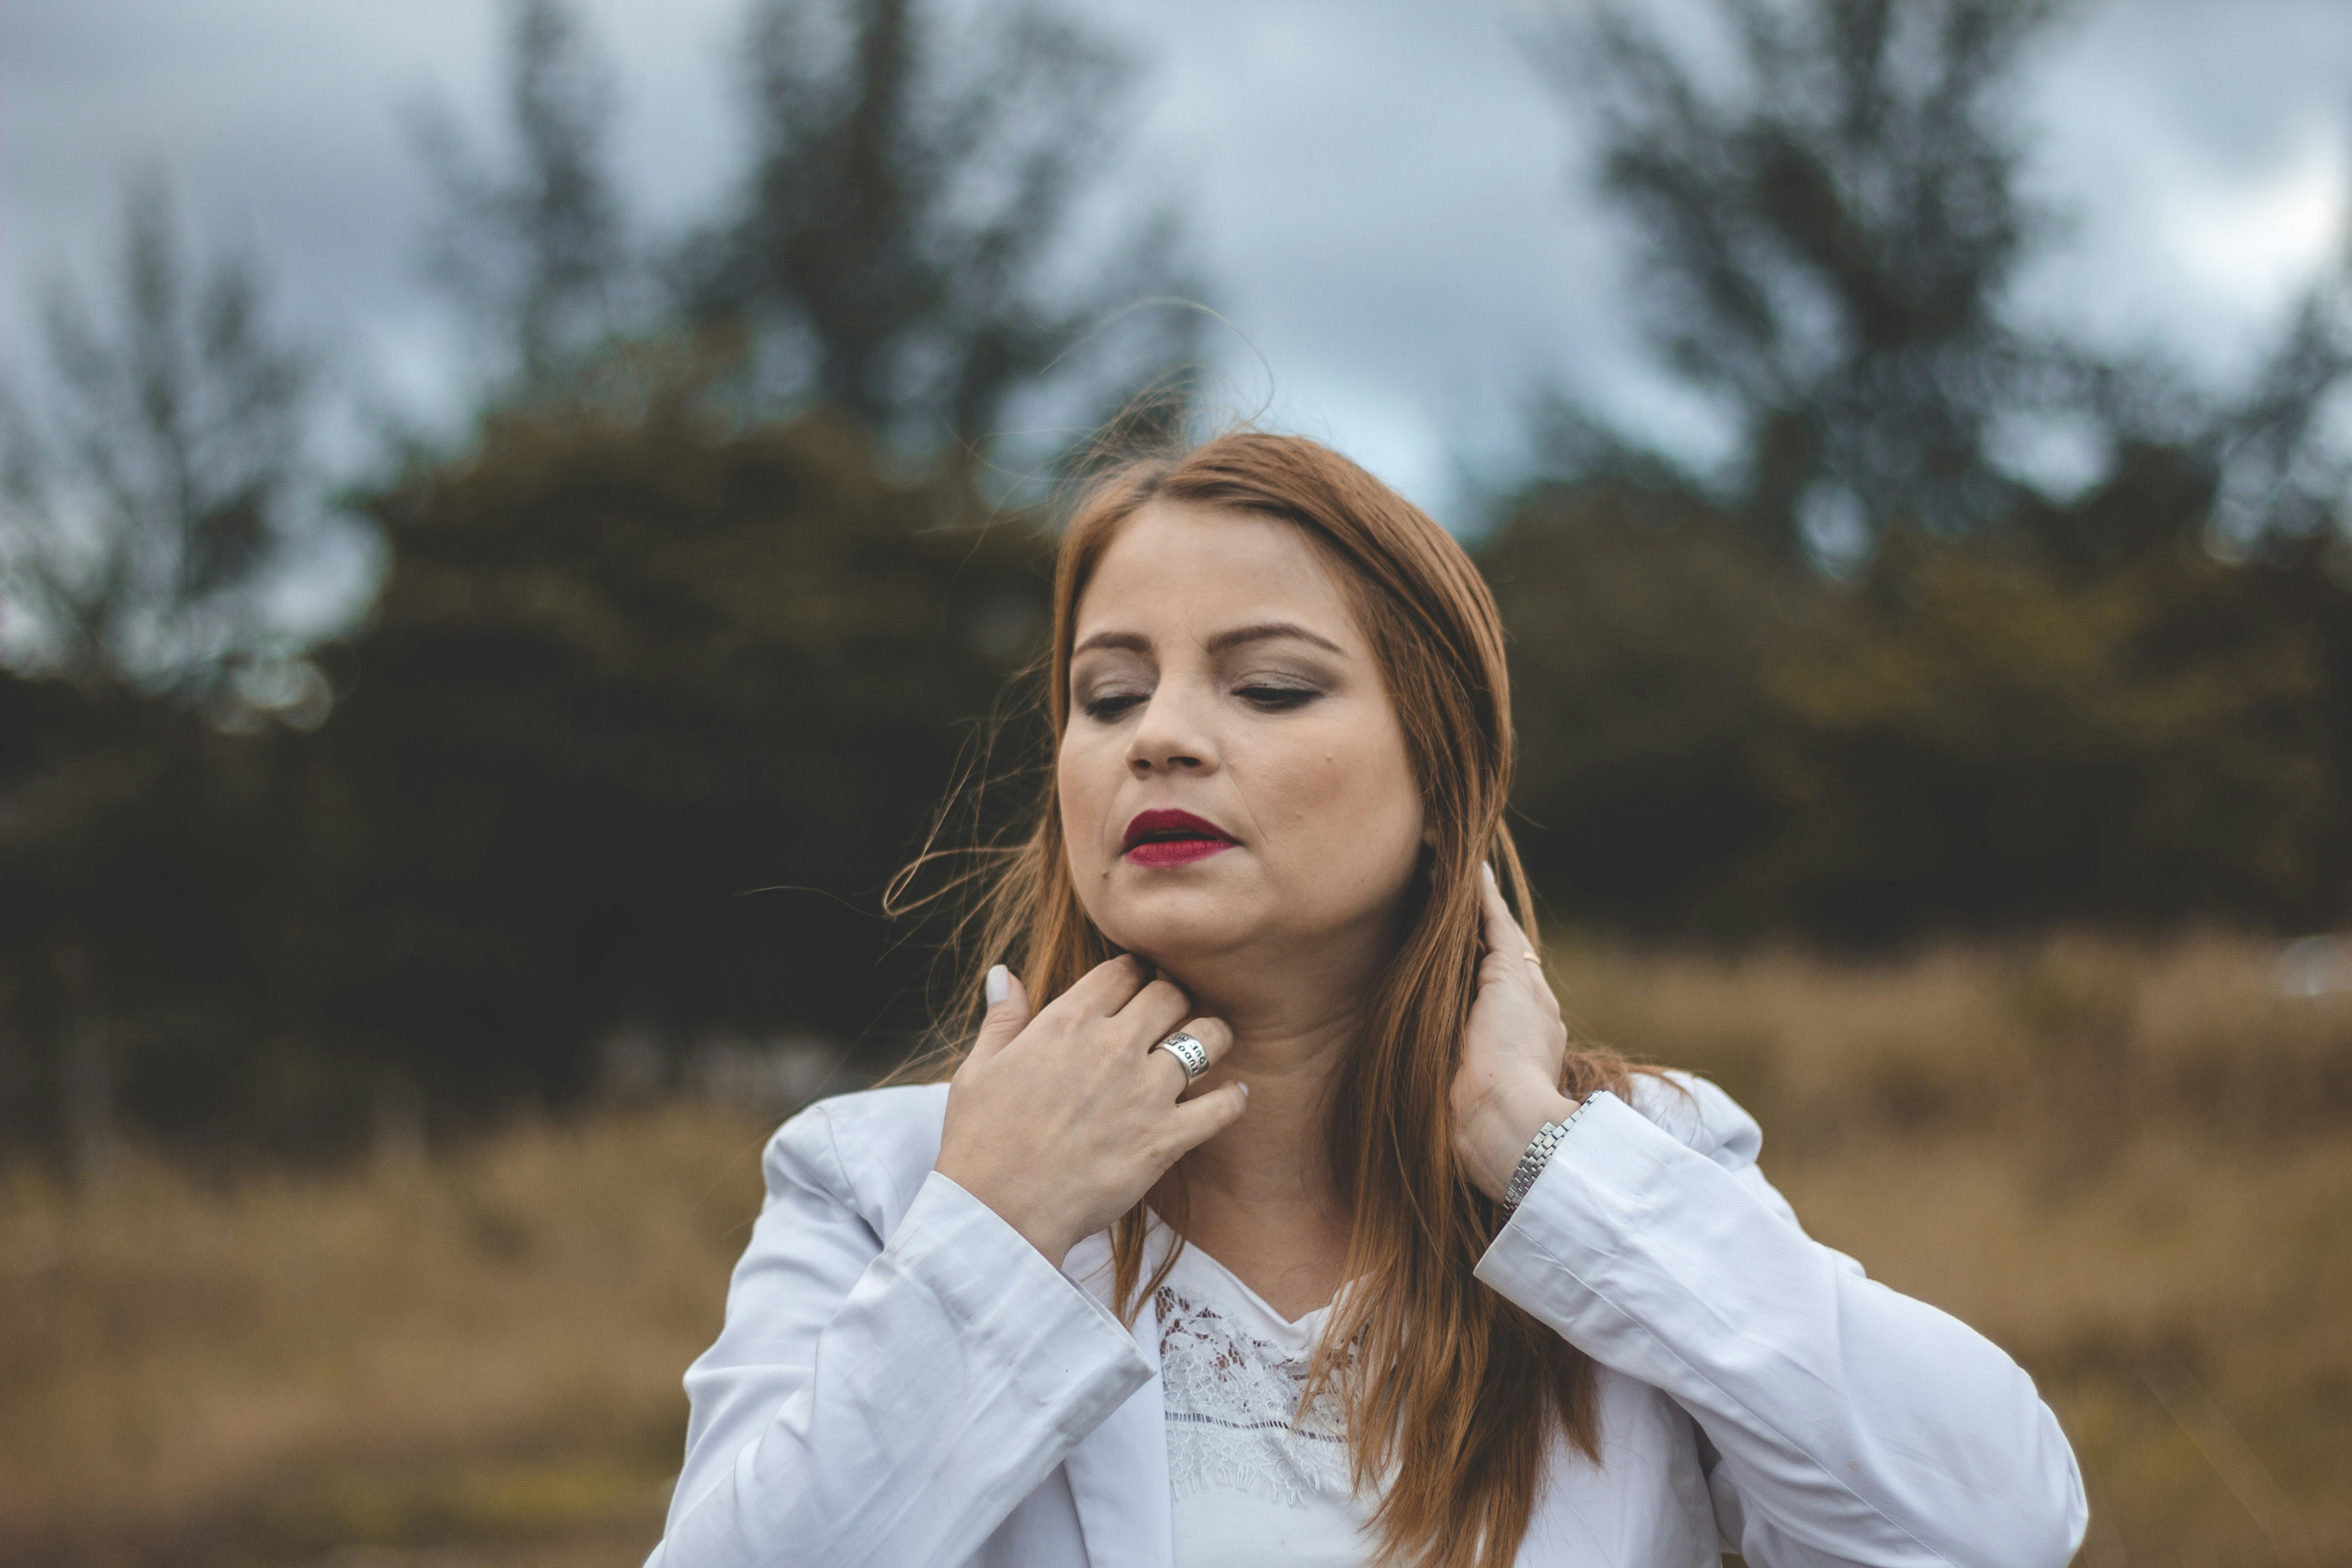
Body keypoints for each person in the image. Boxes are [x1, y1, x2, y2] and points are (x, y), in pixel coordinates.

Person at [644, 432, 2087, 1568]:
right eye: (1109, 695)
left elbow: (1996, 1528)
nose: (1160, 738)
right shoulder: (881, 1184)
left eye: (1270, 688)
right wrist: (996, 1233)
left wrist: (1543, 1159)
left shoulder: (1638, 1166)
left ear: (1440, 780)